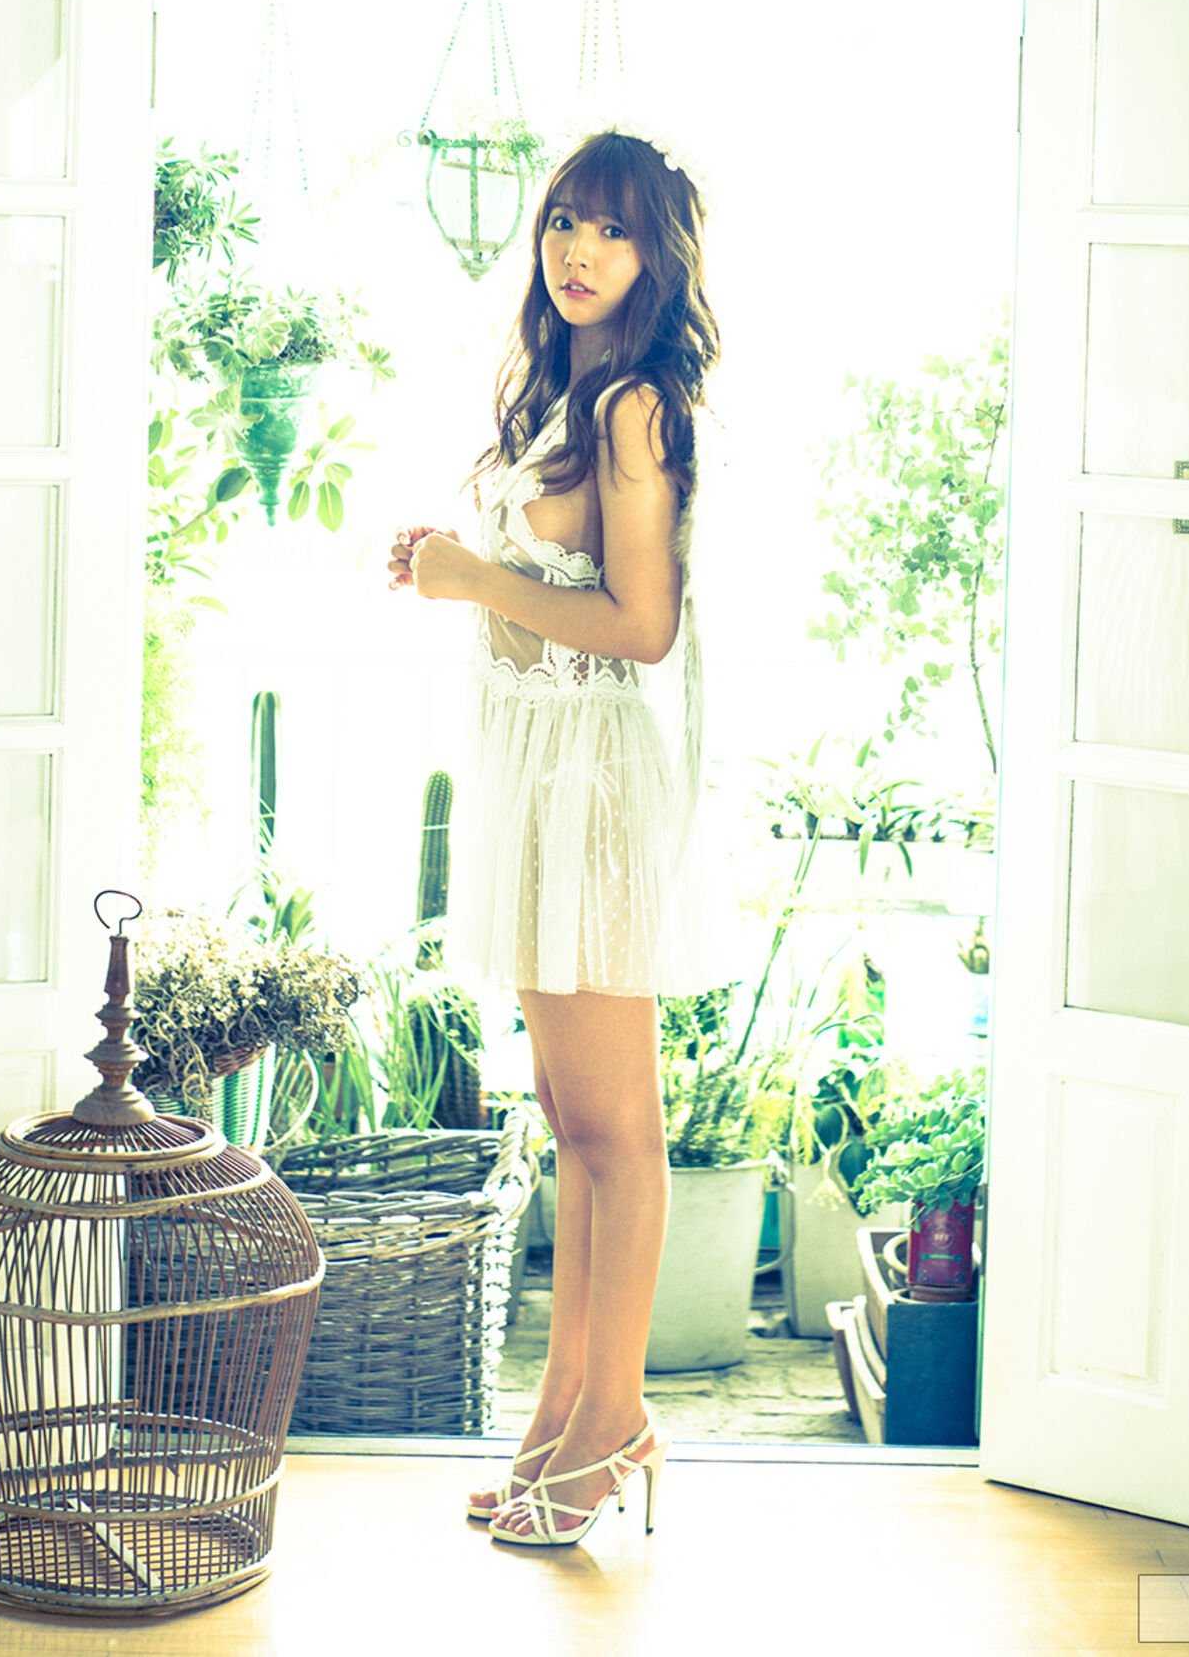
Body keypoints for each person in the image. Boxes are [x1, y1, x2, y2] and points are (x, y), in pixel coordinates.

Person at [387, 124, 722, 1549]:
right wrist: (453, 566)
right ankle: (560, 1420)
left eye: (614, 229)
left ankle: (614, 1424)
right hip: (536, 771)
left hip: (592, 781)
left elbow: (643, 627)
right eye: (566, 221)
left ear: (657, 256)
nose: (579, 250)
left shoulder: (636, 406)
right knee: (571, 1125)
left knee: (616, 1132)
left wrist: (472, 578)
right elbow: (546, 581)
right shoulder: (562, 394)